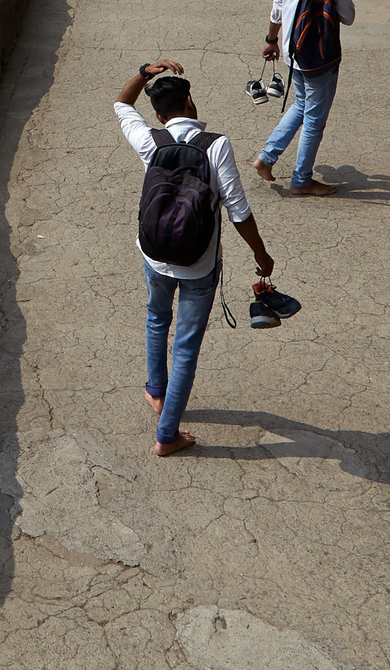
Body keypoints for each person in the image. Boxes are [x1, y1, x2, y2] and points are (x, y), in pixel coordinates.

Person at [115, 62, 278, 455]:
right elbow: (238, 210)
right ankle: (167, 436)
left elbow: (121, 104)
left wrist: (144, 72)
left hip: (153, 254)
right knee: (185, 346)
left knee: (157, 317)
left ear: (157, 114)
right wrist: (261, 254)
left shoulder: (150, 139)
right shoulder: (216, 145)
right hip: (199, 262)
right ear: (190, 101)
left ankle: (156, 391)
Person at [258, 0, 357, 196]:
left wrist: (271, 40)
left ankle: (266, 158)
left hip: (292, 50)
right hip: (320, 57)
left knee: (301, 105)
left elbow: (278, 7)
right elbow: (348, 17)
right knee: (315, 118)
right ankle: (301, 180)